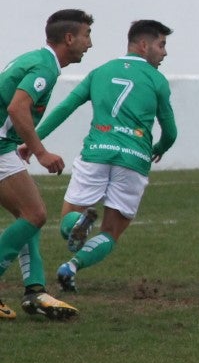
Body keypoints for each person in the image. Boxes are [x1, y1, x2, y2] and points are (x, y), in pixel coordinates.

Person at [22, 20, 178, 294]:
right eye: (161, 45)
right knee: (111, 231)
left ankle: (78, 225)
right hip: (133, 158)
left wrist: (32, 142)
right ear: (143, 45)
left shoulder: (100, 72)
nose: (165, 53)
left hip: (96, 152)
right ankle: (71, 266)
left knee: (68, 221)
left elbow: (65, 108)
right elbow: (171, 132)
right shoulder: (157, 81)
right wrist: (160, 148)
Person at [0, 9, 95, 320]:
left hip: (4, 145)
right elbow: (17, 107)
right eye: (86, 36)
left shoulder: (37, 60)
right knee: (35, 214)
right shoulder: (45, 67)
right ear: (69, 38)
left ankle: (35, 291)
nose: (89, 44)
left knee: (30, 215)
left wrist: (24, 144)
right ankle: (35, 290)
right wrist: (40, 151)